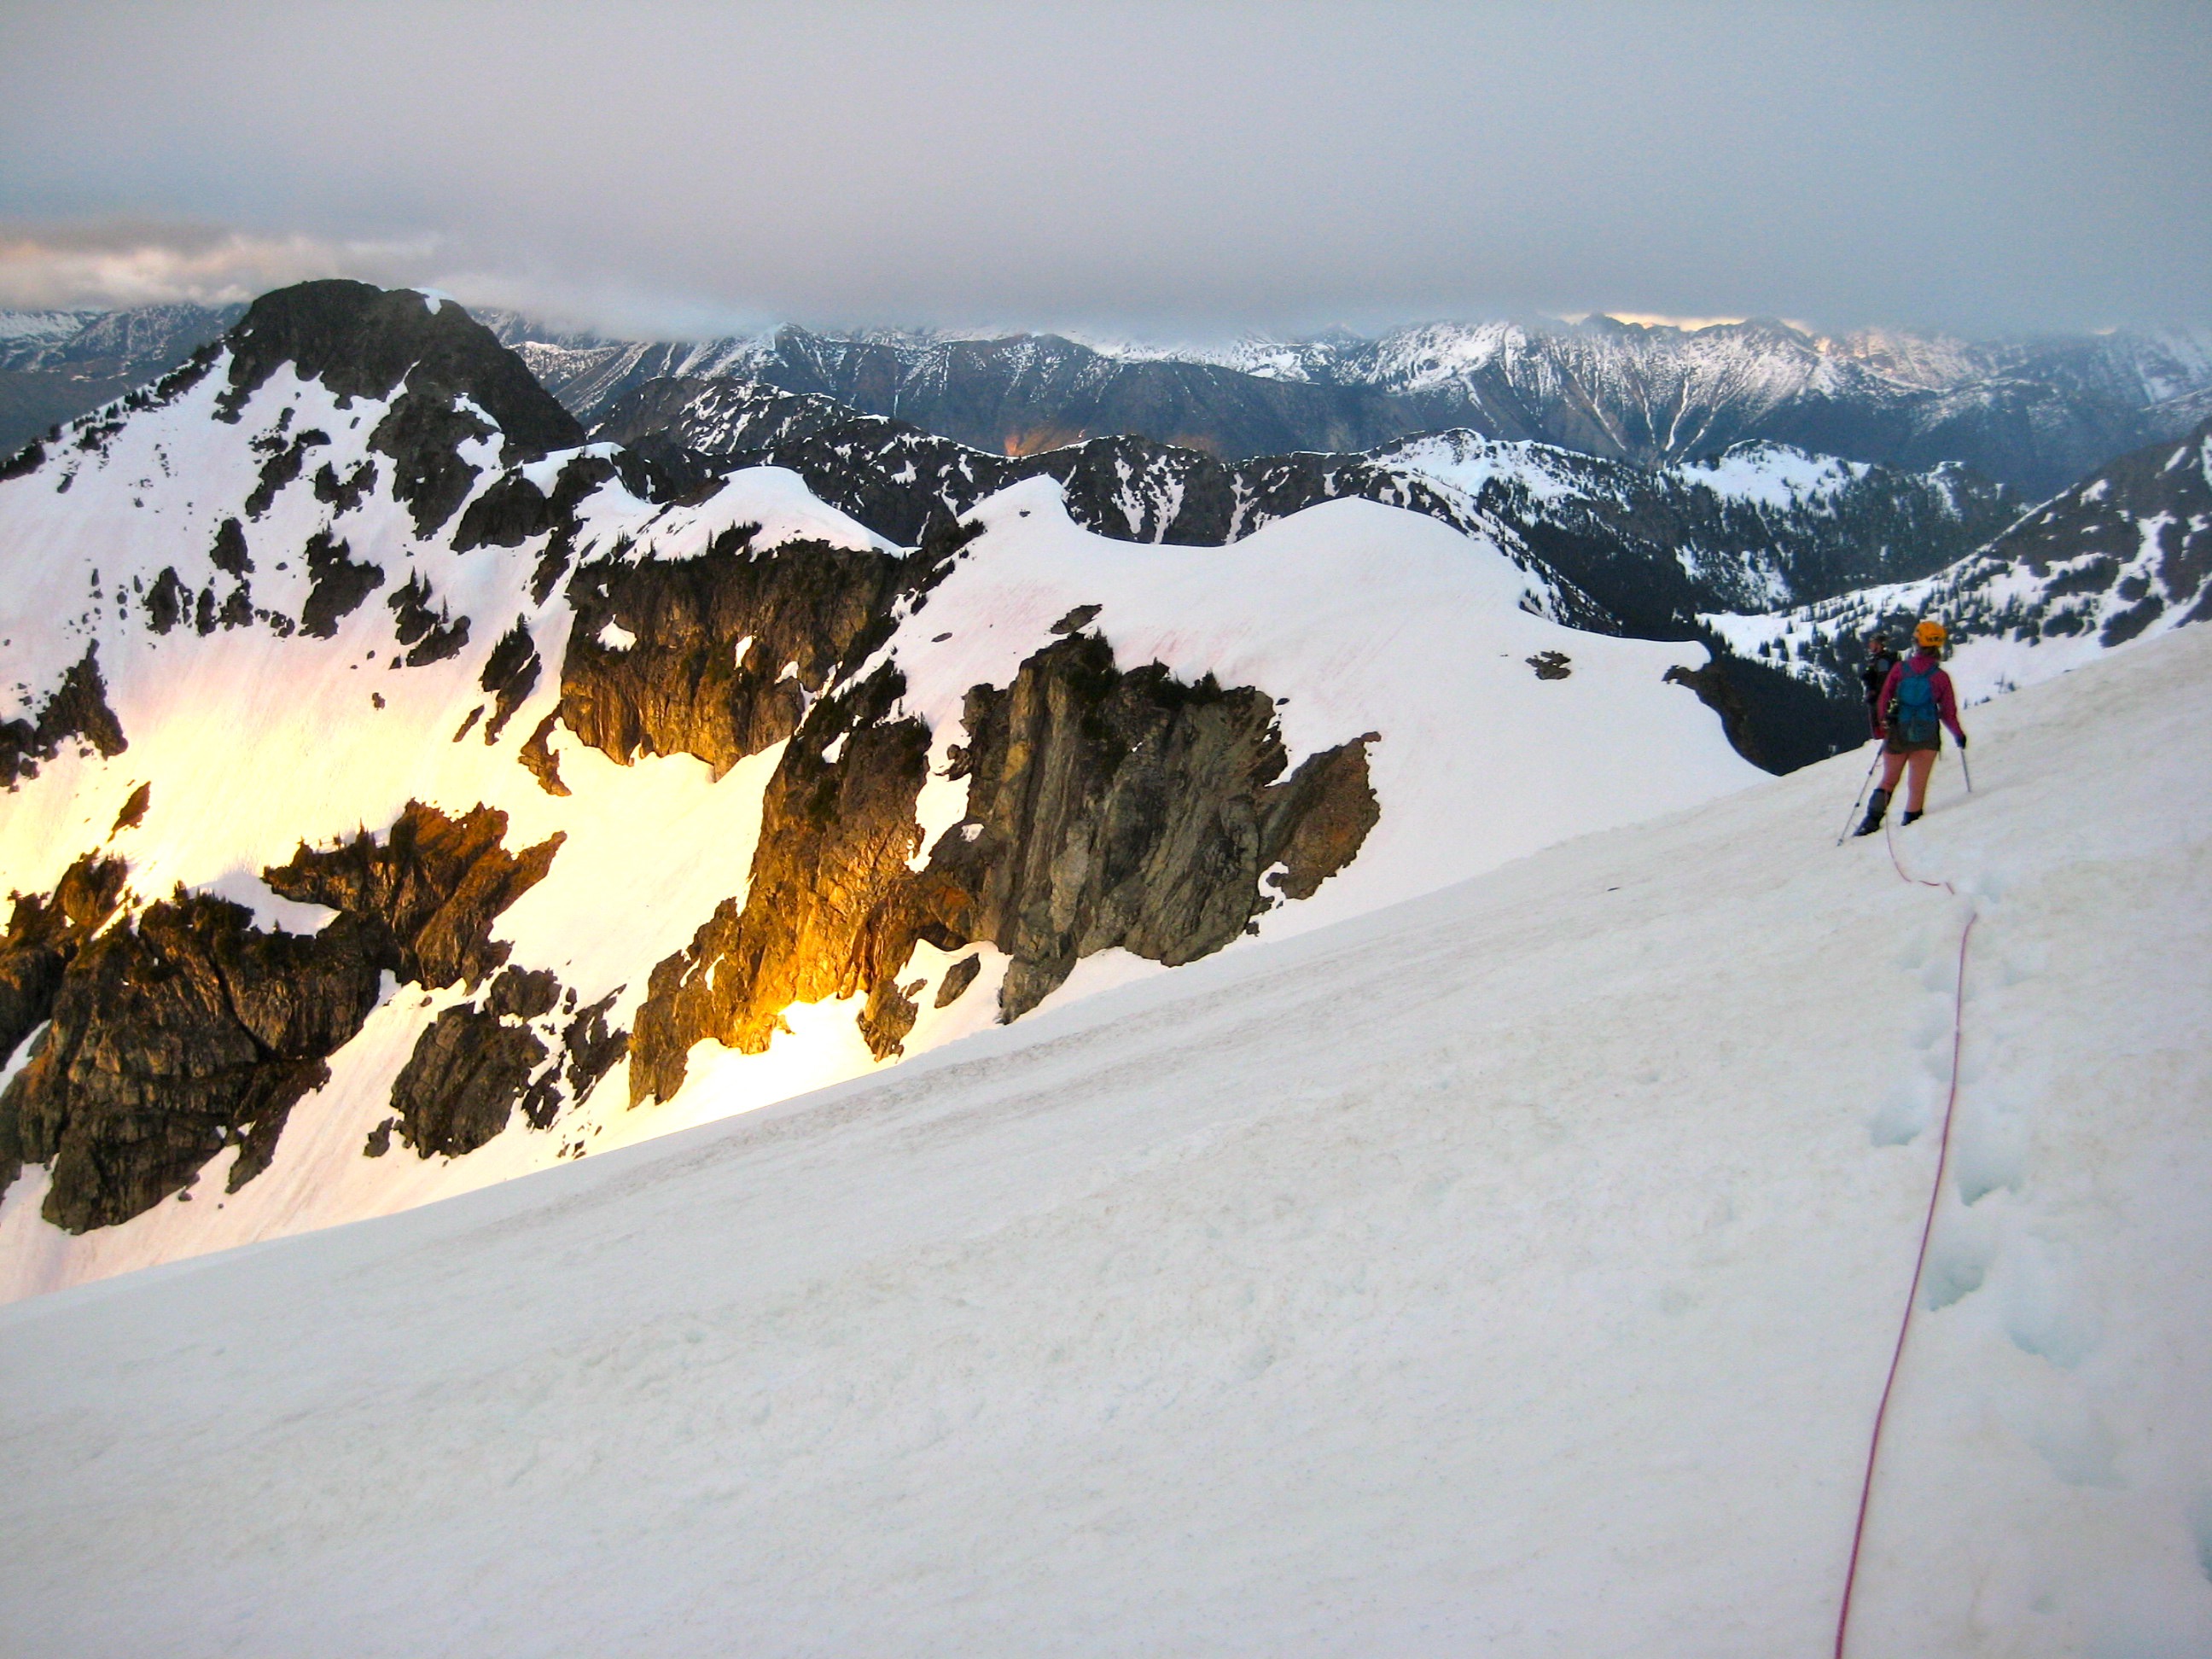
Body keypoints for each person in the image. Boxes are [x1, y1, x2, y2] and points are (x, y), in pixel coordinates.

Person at [1854, 619, 1967, 835]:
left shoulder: (1900, 669)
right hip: (1927, 735)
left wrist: (1882, 727)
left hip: (1898, 731)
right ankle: (1911, 823)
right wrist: (1958, 735)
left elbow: (1884, 699)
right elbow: (1948, 712)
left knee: (1889, 779)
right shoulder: (1940, 677)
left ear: (1917, 642)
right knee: (1918, 785)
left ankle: (1870, 822)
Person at [1860, 632, 1899, 740]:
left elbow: (1883, 679)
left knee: (1881, 724)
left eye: (1873, 643)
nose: (1870, 646)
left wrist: (1874, 692)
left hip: (1881, 698)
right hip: (1881, 697)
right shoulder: (1879, 659)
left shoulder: (1883, 661)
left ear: (1879, 644)